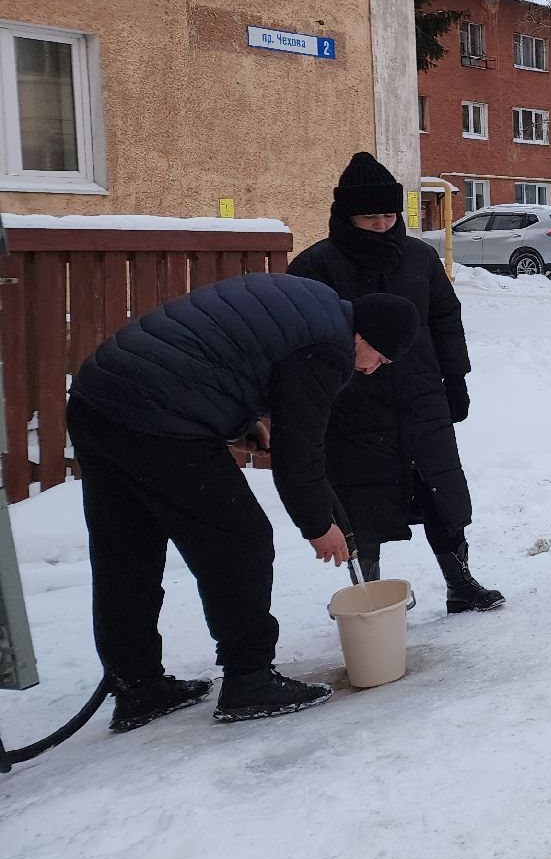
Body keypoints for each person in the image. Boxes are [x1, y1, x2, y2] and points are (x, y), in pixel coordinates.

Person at [66, 272, 419, 730]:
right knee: (240, 539)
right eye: (379, 359)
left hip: (99, 399)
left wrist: (243, 421)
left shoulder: (313, 304)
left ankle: (137, 685)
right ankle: (249, 679)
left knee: (127, 550)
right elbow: (300, 453)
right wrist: (318, 526)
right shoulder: (329, 348)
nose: (370, 370)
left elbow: (228, 355)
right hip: (157, 415)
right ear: (363, 337)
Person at [288, 152, 503, 615]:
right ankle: (375, 598)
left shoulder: (420, 258)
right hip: (352, 403)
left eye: (389, 215)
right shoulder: (315, 266)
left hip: (421, 394)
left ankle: (460, 582)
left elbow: (446, 320)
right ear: (346, 217)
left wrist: (456, 379)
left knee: (440, 492)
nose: (383, 225)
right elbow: (300, 343)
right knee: (361, 500)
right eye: (371, 218)